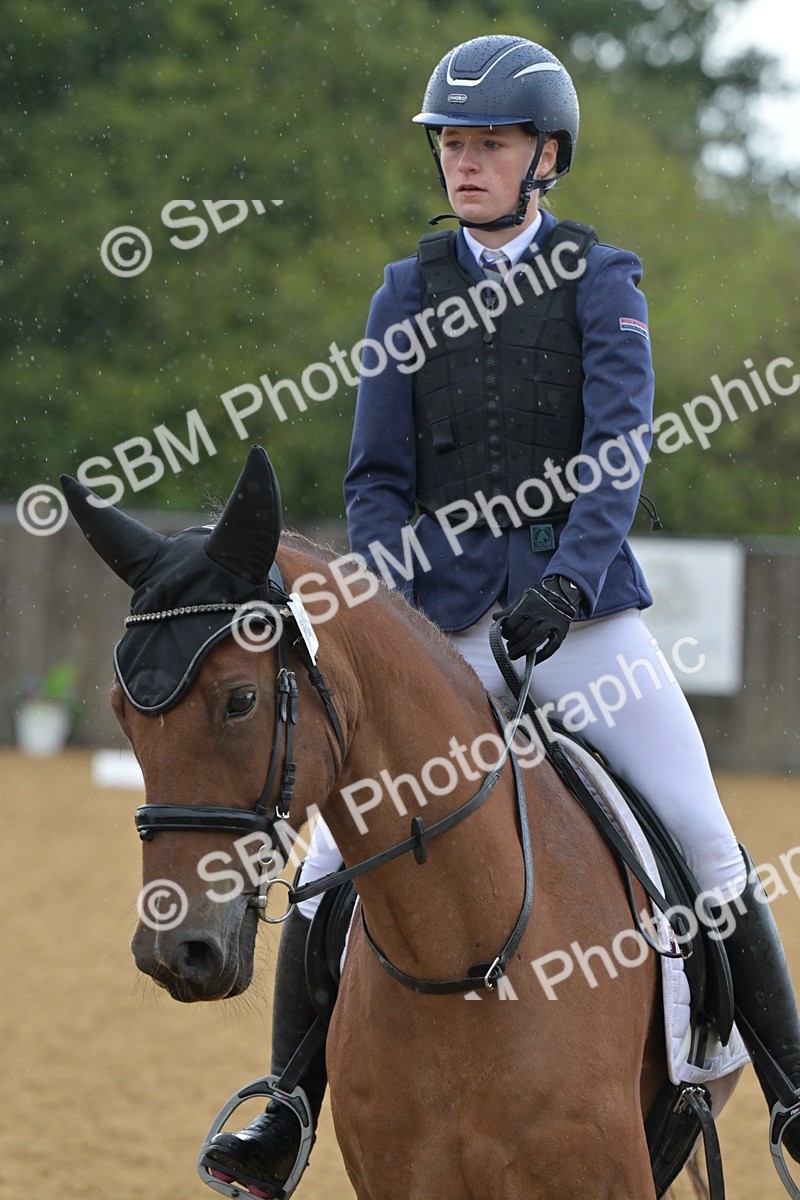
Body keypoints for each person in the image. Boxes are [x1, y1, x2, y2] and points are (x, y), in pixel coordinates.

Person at [203, 34, 800, 1196]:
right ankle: (285, 1105)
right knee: (329, 862)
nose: (464, 164)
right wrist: (388, 604)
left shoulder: (599, 279)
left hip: (578, 625)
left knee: (704, 840)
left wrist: (567, 583)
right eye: (453, 146)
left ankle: (790, 1091)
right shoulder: (402, 293)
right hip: (433, 630)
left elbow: (614, 451)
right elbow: (374, 477)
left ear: (545, 158)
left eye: (488, 145)